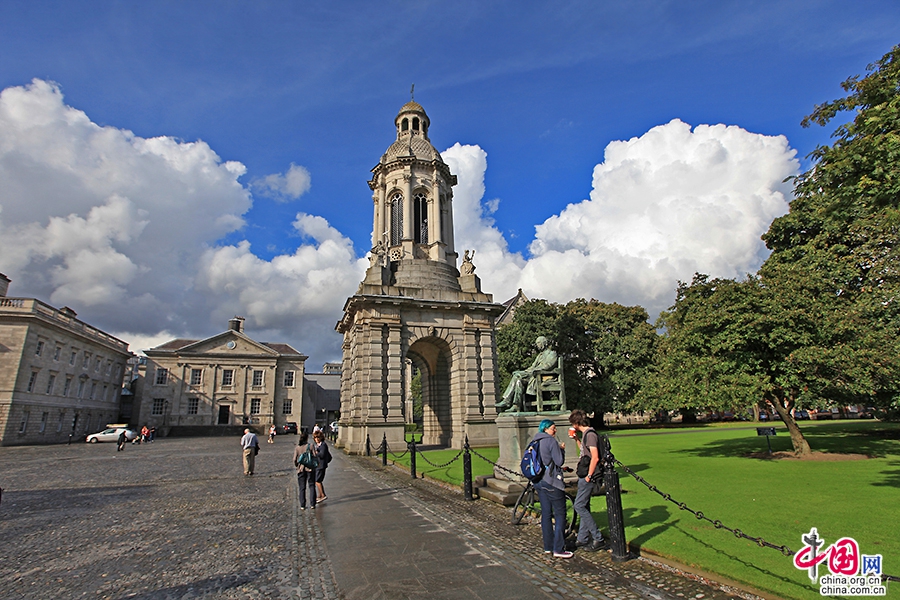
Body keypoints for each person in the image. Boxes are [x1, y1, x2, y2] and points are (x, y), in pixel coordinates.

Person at [531, 419, 572, 558]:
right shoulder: (551, 441)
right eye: (553, 428)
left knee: (546, 514)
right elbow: (559, 461)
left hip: (539, 481)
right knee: (560, 514)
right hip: (551, 481)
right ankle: (558, 548)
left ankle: (548, 546)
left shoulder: (535, 441)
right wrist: (562, 450)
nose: (555, 431)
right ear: (546, 429)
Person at [569, 409, 608, 552]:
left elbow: (595, 457)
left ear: (577, 422)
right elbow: (584, 451)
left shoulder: (590, 435)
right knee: (584, 505)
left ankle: (598, 537)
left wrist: (589, 475)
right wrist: (576, 439)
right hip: (585, 474)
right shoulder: (586, 435)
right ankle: (582, 538)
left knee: (579, 506)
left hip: (588, 475)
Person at [495, 336, 558, 412]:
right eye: (537, 343)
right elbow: (532, 366)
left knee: (517, 376)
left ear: (544, 343)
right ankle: (516, 405)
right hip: (534, 374)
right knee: (519, 380)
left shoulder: (552, 353)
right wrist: (524, 371)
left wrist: (533, 370)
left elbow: (548, 366)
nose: (537, 345)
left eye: (538, 343)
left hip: (542, 376)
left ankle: (507, 400)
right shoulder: (539, 355)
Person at [293, 431, 317, 510]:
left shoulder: (297, 448)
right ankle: (312, 504)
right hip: (310, 468)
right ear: (307, 438)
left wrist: (297, 465)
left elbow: (294, 459)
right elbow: (315, 456)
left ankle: (302, 505)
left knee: (302, 488)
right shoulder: (311, 446)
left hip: (301, 469)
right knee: (311, 486)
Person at [313, 430, 332, 502]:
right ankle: (320, 495)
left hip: (321, 465)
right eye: (315, 438)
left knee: (317, 480)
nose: (316, 439)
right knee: (318, 480)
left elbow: (322, 454)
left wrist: (316, 453)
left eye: (318, 437)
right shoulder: (318, 445)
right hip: (319, 465)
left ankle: (323, 495)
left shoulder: (323, 445)